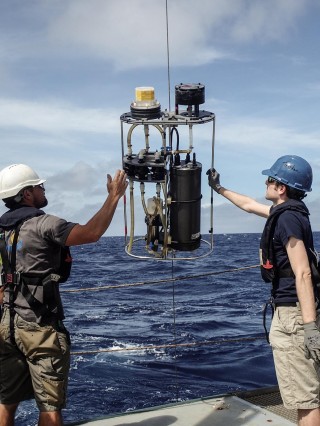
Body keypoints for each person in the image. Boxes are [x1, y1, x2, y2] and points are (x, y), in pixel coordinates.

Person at [0, 163, 127, 426]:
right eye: (38, 186)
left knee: (6, 401)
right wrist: (114, 196)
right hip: (39, 329)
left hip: (6, 326)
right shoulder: (44, 224)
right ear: (26, 194)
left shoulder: (2, 232)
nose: (43, 188)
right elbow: (90, 234)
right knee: (49, 407)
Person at [207, 155, 320, 426]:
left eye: (270, 179)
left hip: (295, 316)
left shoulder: (287, 220)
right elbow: (247, 205)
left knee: (306, 400)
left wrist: (309, 328)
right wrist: (219, 188)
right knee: (307, 394)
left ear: (281, 187)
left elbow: (302, 272)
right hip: (295, 312)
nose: (265, 182)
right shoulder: (287, 213)